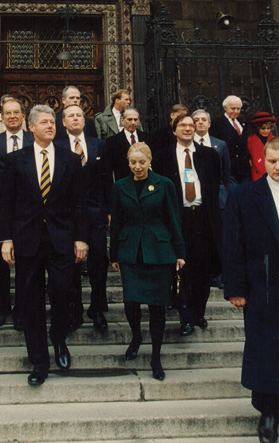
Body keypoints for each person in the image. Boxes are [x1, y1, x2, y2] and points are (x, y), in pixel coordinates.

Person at [0, 105, 88, 386]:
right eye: (45, 122)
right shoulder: (14, 160)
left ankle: (59, 338)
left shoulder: (71, 159)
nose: (51, 126)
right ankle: (39, 361)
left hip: (62, 239)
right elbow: (5, 203)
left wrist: (81, 238)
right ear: (32, 127)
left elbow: (79, 203)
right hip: (27, 240)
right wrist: (6, 239)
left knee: (62, 291)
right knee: (31, 300)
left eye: (53, 122)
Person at [222, 136, 279, 443]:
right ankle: (269, 413)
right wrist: (236, 287)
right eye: (272, 161)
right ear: (263, 161)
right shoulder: (244, 195)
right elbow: (233, 245)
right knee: (267, 351)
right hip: (264, 287)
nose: (278, 167)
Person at [110, 142, 185, 381]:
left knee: (156, 307)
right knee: (131, 302)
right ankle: (136, 336)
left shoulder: (165, 184)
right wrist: (114, 255)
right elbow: (117, 222)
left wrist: (179, 252)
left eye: (142, 162)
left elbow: (174, 218)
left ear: (150, 161)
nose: (137, 167)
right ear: (128, 162)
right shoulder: (120, 186)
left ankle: (156, 356)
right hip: (131, 251)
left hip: (158, 251)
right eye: (133, 162)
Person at [153, 113, 221, 336]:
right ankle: (186, 317)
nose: (188, 128)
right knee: (182, 270)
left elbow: (213, 188)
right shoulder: (163, 158)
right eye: (182, 125)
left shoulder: (209, 155)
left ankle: (198, 312)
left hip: (203, 218)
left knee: (203, 270)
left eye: (191, 125)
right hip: (177, 219)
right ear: (174, 130)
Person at [55, 104, 111, 332]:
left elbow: (107, 180)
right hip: (67, 218)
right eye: (71, 116)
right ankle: (74, 309)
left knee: (99, 261)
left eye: (79, 115)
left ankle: (97, 308)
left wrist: (108, 210)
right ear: (64, 122)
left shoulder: (99, 145)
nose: (76, 119)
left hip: (95, 214)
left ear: (85, 121)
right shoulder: (56, 146)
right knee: (71, 265)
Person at [0, 98, 34, 329]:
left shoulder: (35, 141)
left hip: (28, 213)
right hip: (0, 213)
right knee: (0, 262)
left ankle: (22, 309)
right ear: (1, 118)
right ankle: (2, 308)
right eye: (8, 113)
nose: (12, 116)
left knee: (26, 263)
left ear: (24, 117)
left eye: (17, 112)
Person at [193, 108, 231, 210]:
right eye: (196, 120)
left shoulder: (220, 144)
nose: (200, 122)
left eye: (204, 119)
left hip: (218, 197)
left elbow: (226, 172)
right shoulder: (188, 144)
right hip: (196, 197)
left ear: (209, 124)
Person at [210, 95, 250, 186]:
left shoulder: (243, 123)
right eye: (233, 108)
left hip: (243, 168)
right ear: (225, 108)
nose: (236, 111)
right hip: (229, 167)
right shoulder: (217, 123)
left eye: (238, 109)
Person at [106, 106, 154, 183]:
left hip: (146, 183)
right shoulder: (112, 142)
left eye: (135, 120)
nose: (133, 123)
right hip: (124, 185)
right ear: (122, 120)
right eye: (129, 119)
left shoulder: (148, 138)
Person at [247, 111, 277, 181]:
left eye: (268, 128)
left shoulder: (274, 140)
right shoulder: (250, 141)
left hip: (273, 173)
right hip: (258, 175)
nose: (266, 131)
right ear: (257, 128)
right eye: (263, 129)